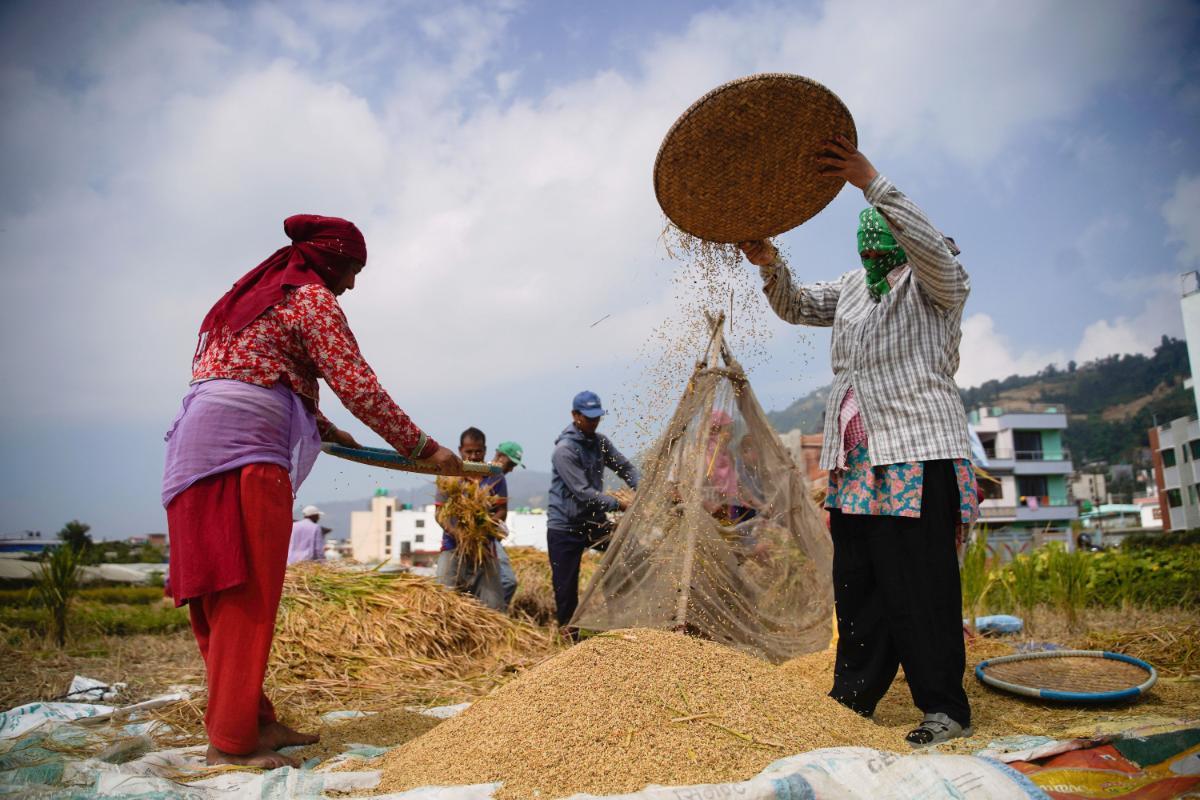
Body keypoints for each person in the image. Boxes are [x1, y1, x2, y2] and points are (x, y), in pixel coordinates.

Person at [162, 214, 460, 769]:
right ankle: (231, 743)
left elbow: (259, 372)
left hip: (191, 456)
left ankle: (254, 720)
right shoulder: (312, 298)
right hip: (245, 459)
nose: (351, 284)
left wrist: (322, 428)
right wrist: (425, 449)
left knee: (219, 591)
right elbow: (359, 386)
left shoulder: (248, 303)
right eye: (351, 269)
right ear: (329, 260)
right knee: (247, 594)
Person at [739, 135, 979, 747]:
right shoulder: (851, 289)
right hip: (857, 461)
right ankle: (853, 699)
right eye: (866, 236)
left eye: (883, 236)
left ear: (902, 237)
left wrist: (871, 181)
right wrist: (768, 260)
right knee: (862, 581)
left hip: (915, 452)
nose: (872, 248)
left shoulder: (937, 282)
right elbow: (793, 304)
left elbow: (926, 246)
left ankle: (942, 707)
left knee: (920, 582)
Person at [547, 391, 639, 636]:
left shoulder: (600, 443)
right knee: (565, 589)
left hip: (593, 521)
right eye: (588, 417)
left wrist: (642, 488)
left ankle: (619, 619)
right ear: (575, 415)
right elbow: (583, 493)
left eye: (597, 417)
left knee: (625, 551)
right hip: (565, 526)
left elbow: (625, 467)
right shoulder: (564, 451)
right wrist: (619, 504)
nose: (594, 422)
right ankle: (569, 640)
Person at [435, 427, 507, 611]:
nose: (474, 456)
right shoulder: (448, 476)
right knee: (444, 602)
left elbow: (502, 510)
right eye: (469, 452)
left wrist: (484, 528)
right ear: (460, 450)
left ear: (485, 450)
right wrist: (460, 535)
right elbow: (440, 515)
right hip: (453, 547)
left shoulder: (495, 475)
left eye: (478, 451)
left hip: (485, 549)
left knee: (494, 608)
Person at [492, 441, 525, 607]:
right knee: (507, 580)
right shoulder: (480, 474)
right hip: (478, 536)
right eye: (510, 464)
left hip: (490, 536)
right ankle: (494, 616)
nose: (511, 469)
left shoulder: (499, 479)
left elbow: (501, 510)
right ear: (499, 456)